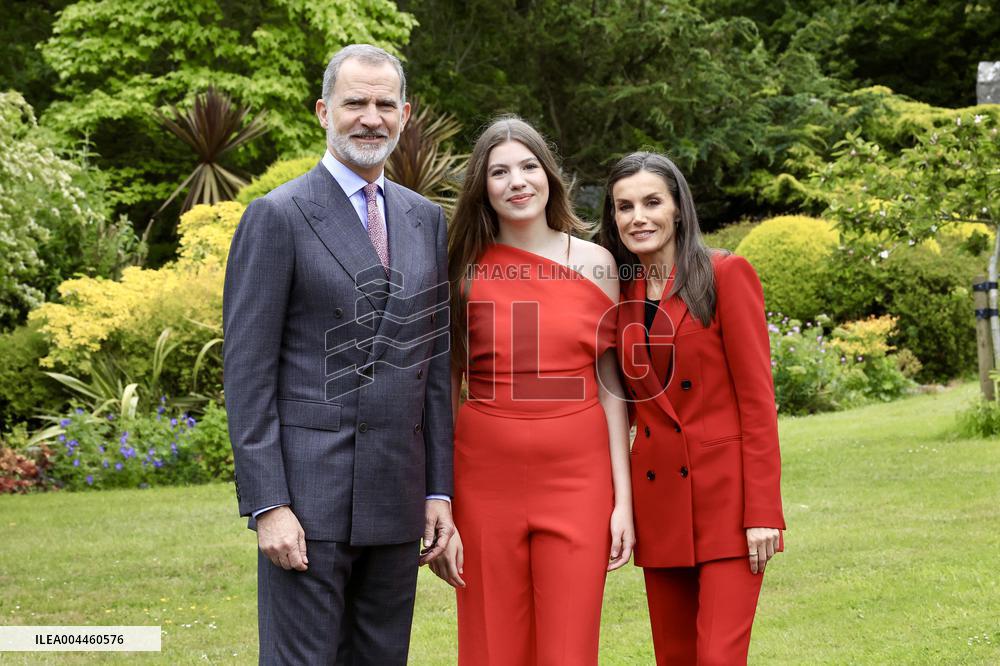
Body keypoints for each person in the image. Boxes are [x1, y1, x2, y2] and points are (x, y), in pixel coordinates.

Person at [223, 44, 454, 665]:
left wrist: (439, 491)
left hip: (396, 497)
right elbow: (247, 376)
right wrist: (269, 505)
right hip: (307, 502)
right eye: (355, 103)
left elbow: (432, 370)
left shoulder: (423, 218)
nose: (370, 117)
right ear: (324, 111)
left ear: (404, 114)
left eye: (384, 104)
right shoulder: (277, 215)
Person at [429, 116, 635, 665]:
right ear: (483, 187)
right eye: (499, 172)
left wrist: (623, 502)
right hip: (483, 477)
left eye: (528, 166)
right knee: (493, 643)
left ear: (549, 176)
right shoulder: (461, 269)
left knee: (570, 645)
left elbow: (612, 384)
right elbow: (446, 387)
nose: (516, 181)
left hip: (579, 476)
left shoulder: (597, 263)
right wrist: (440, 501)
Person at [597, 152, 786, 665]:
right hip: (659, 506)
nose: (638, 217)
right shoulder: (620, 292)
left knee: (719, 656)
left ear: (678, 208)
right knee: (674, 657)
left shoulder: (727, 274)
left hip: (727, 504)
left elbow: (758, 404)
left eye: (652, 202)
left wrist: (763, 512)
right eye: (624, 206)